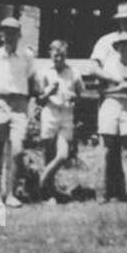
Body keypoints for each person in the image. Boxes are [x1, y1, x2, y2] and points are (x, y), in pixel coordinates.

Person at [0, 16, 37, 209]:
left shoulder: (26, 57)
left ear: (19, 35)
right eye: (6, 32)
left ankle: (12, 193)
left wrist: (22, 105)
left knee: (18, 150)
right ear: (1, 34)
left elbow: (30, 82)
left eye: (13, 32)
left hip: (19, 105)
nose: (9, 36)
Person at [98, 32, 127, 203]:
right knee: (108, 150)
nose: (126, 52)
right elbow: (102, 91)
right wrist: (120, 87)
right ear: (117, 49)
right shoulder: (109, 66)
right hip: (111, 104)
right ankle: (103, 192)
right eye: (123, 49)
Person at [33, 39, 82, 202]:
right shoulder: (44, 71)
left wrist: (74, 97)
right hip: (50, 113)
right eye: (55, 56)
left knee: (62, 155)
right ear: (50, 55)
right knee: (49, 154)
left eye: (61, 55)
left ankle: (41, 179)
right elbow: (39, 99)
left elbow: (80, 94)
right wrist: (48, 92)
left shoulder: (73, 72)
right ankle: (49, 193)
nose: (58, 59)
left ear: (66, 55)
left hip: (66, 114)